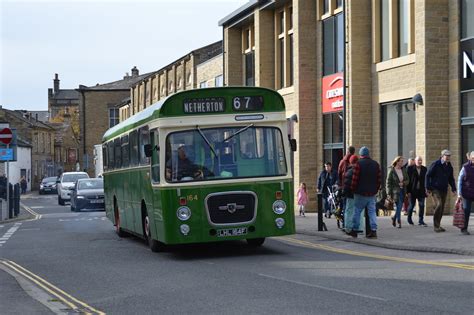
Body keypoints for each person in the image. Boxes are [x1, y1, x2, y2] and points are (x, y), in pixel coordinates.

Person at [349, 146, 381, 238]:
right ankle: (373, 230)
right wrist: (376, 189)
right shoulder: (376, 164)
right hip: (371, 193)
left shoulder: (358, 164)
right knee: (372, 212)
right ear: (368, 154)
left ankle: (354, 230)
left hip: (360, 193)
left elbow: (354, 179)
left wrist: (353, 189)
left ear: (361, 154)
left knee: (357, 211)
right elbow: (379, 180)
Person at [426, 149, 457, 232]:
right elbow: (428, 175)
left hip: (444, 189)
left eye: (449, 156)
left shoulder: (449, 166)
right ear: (442, 156)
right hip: (435, 189)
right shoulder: (435, 164)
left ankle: (438, 225)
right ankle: (436, 226)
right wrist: (428, 187)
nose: (448, 157)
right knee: (439, 204)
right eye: (446, 156)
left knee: (442, 208)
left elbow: (451, 179)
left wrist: (454, 189)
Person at [386, 156, 409, 228]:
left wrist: (404, 183)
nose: (402, 162)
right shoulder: (391, 170)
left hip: (403, 190)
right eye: (401, 161)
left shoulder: (404, 170)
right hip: (395, 191)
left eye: (403, 161)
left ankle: (394, 217)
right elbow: (388, 182)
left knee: (399, 206)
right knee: (399, 205)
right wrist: (388, 193)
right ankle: (399, 221)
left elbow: (408, 180)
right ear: (397, 162)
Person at [343, 155, 363, 233]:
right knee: (360, 212)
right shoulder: (361, 170)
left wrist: (344, 193)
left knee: (349, 211)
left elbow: (346, 185)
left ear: (350, 162)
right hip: (360, 194)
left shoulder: (349, 171)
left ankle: (348, 227)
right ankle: (360, 227)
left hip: (351, 195)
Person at [406, 156, 428, 226]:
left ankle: (421, 220)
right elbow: (407, 181)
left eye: (421, 160)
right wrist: (407, 191)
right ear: (415, 161)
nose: (420, 162)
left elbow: (427, 180)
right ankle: (409, 219)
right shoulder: (410, 169)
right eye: (418, 160)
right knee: (411, 205)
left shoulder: (424, 169)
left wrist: (427, 189)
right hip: (412, 191)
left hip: (421, 190)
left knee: (422, 205)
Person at [457, 151, 474, 235]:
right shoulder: (465, 167)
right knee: (466, 211)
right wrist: (459, 193)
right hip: (466, 193)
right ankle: (464, 229)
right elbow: (460, 180)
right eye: (473, 158)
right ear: (470, 158)